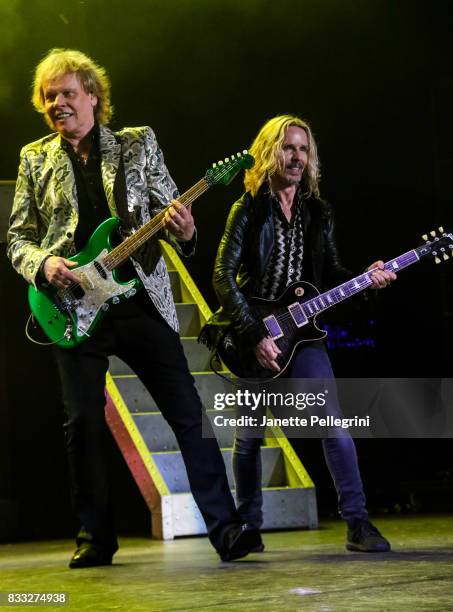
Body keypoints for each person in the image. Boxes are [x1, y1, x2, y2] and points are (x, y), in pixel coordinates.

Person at [7, 48, 261, 568]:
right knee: (82, 423)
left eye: (68, 94)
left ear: (94, 97)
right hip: (72, 306)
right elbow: (16, 238)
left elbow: (175, 210)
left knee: (188, 415)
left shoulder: (137, 143)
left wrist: (187, 231)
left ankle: (228, 530)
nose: (58, 103)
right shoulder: (34, 158)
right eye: (49, 97)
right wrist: (45, 263)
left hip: (140, 297)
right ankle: (94, 538)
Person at [202, 114, 396, 553]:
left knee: (333, 425)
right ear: (270, 152)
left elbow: (331, 275)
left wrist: (367, 279)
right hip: (250, 335)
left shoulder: (318, 212)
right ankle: (247, 527)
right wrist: (255, 333)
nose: (296, 157)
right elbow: (221, 276)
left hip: (302, 337)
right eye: (288, 148)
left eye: (303, 149)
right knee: (248, 436)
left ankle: (358, 525)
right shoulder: (248, 207)